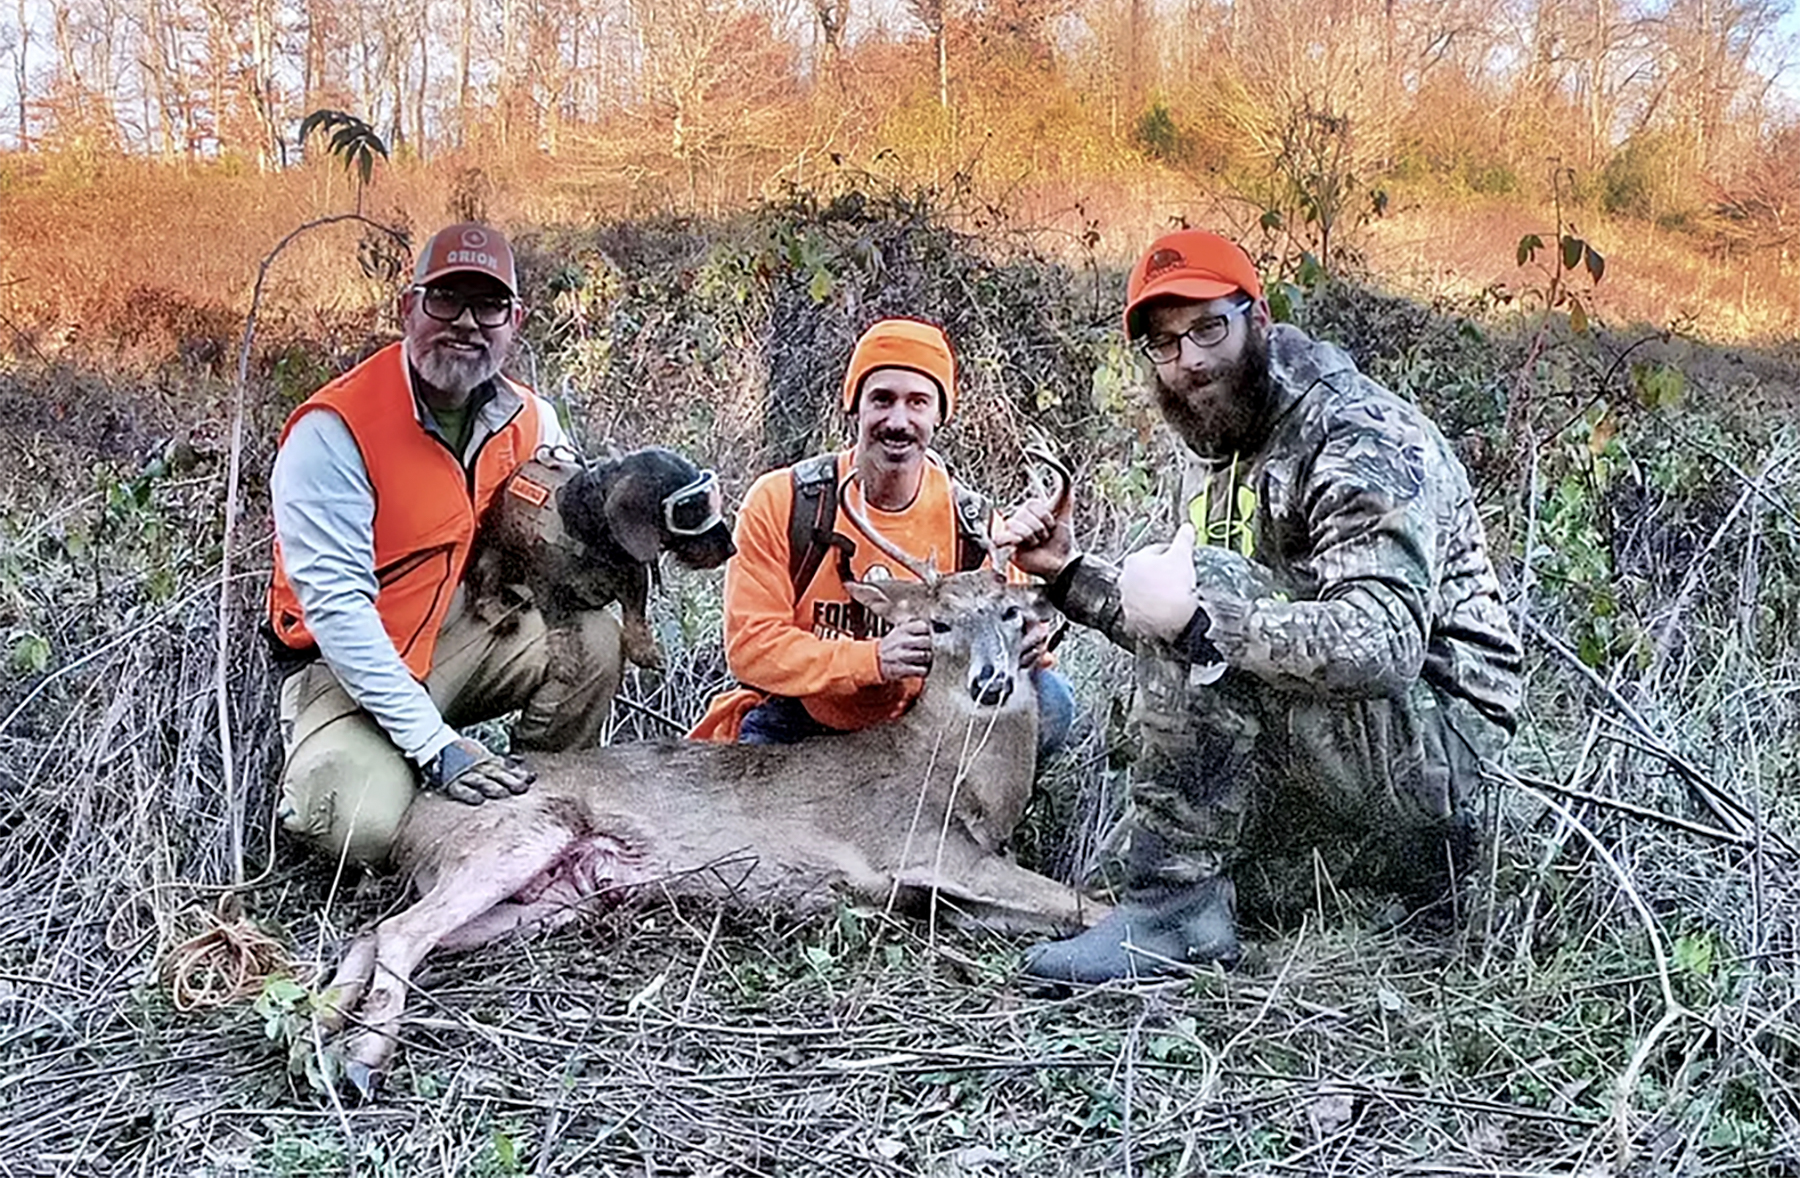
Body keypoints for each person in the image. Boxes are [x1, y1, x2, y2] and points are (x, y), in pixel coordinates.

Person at [998, 229, 1523, 982]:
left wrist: (1203, 620)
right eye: (1164, 342)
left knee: (1204, 587)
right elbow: (1175, 620)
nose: (1189, 359)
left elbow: (1385, 641)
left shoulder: (1356, 433)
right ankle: (1372, 874)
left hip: (1439, 741)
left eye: (1209, 327)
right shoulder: (1224, 435)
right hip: (1345, 732)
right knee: (1120, 856)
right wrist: (1071, 573)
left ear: (1260, 318)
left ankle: (1172, 913)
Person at [267, 223, 623, 869]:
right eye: (445, 299)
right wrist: (437, 747)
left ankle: (532, 813)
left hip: (457, 638)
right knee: (354, 823)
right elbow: (339, 611)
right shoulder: (335, 431)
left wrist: (631, 526)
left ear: (515, 322)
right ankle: (408, 775)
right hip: (346, 670)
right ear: (407, 307)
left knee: (593, 637)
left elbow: (571, 546)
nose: (465, 322)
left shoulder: (532, 420)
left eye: (488, 306)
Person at [690, 317, 1073, 751]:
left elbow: (1022, 638)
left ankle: (974, 796)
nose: (898, 421)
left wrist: (1029, 641)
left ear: (939, 415)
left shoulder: (975, 527)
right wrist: (872, 660)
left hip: (923, 726)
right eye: (882, 399)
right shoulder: (785, 502)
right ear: (855, 405)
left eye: (918, 402)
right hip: (801, 720)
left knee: (1050, 702)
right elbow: (751, 648)